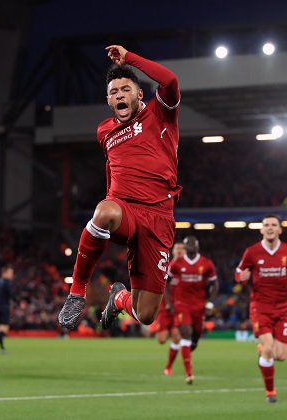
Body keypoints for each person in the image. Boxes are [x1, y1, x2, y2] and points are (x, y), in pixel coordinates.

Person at [57, 45, 181, 333]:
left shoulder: (160, 113)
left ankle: (120, 297)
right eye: (113, 92)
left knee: (145, 314)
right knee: (104, 211)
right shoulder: (104, 131)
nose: (120, 95)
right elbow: (112, 168)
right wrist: (113, 198)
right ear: (108, 101)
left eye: (126, 89)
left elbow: (170, 81)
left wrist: (131, 60)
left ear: (139, 94)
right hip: (125, 209)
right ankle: (77, 291)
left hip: (159, 219)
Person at [235, 214, 287, 403]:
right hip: (260, 307)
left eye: (274, 225)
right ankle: (270, 392)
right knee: (269, 349)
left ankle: (263, 350)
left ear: (280, 229)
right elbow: (238, 270)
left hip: (283, 308)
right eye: (266, 225)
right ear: (261, 229)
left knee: (280, 356)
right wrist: (240, 277)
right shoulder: (252, 251)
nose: (270, 228)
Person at [166, 236, 218, 385]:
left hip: (199, 306)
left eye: (191, 246)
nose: (188, 248)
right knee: (186, 334)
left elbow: (215, 284)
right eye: (186, 246)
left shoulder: (206, 264)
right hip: (182, 305)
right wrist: (170, 303)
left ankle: (187, 351)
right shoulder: (176, 264)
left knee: (194, 338)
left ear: (197, 247)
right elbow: (166, 283)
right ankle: (189, 373)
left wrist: (209, 304)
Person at [156, 242, 185, 376]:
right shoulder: (168, 267)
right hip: (164, 307)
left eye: (182, 249)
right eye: (177, 249)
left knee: (176, 337)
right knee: (162, 340)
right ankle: (163, 329)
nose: (179, 251)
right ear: (173, 252)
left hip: (178, 309)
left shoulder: (188, 269)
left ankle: (168, 367)